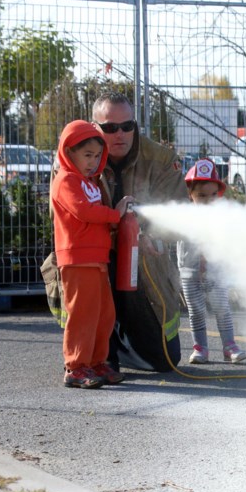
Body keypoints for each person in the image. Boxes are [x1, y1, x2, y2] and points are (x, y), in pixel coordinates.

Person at [91, 91, 190, 372]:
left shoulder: (160, 159)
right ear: (94, 128)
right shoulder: (75, 157)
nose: (120, 134)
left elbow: (179, 213)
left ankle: (120, 342)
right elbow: (62, 217)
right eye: (110, 128)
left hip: (142, 266)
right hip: (94, 262)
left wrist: (153, 234)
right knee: (97, 361)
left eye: (127, 126)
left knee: (163, 361)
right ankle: (94, 346)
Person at [50, 119, 135, 388]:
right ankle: (76, 366)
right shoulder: (66, 180)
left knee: (103, 314)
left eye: (97, 156)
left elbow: (95, 214)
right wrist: (114, 214)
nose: (93, 161)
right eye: (87, 155)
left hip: (97, 259)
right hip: (76, 259)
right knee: (83, 314)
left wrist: (114, 215)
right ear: (68, 152)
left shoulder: (90, 182)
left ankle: (97, 362)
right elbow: (83, 212)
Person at [176, 158, 246, 364]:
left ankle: (229, 346)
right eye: (202, 195)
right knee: (196, 310)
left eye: (213, 195)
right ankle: (200, 348)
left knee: (222, 308)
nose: (209, 200)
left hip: (217, 272)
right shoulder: (183, 216)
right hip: (190, 272)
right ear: (190, 195)